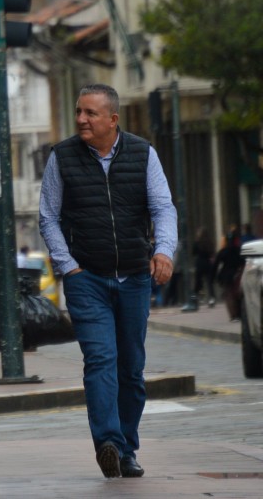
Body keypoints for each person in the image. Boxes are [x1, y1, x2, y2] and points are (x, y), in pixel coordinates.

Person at [39, 84, 177, 479]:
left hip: (135, 276)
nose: (81, 119)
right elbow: (48, 216)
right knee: (100, 359)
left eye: (91, 113)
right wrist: (68, 266)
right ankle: (109, 443)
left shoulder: (143, 153)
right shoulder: (62, 156)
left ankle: (128, 448)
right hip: (87, 279)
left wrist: (164, 251)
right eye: (79, 111)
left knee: (131, 368)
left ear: (113, 120)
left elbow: (163, 207)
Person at [212, 226, 245, 321]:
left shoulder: (223, 252)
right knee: (238, 294)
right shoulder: (239, 251)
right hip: (238, 275)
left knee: (229, 295)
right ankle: (238, 314)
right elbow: (243, 262)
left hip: (226, 276)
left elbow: (215, 265)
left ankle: (233, 315)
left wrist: (213, 277)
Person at [192, 226, 215, 307]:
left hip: (200, 263)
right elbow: (212, 252)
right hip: (208, 263)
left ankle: (195, 297)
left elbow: (193, 252)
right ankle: (211, 298)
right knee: (209, 282)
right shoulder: (209, 242)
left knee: (198, 281)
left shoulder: (197, 243)